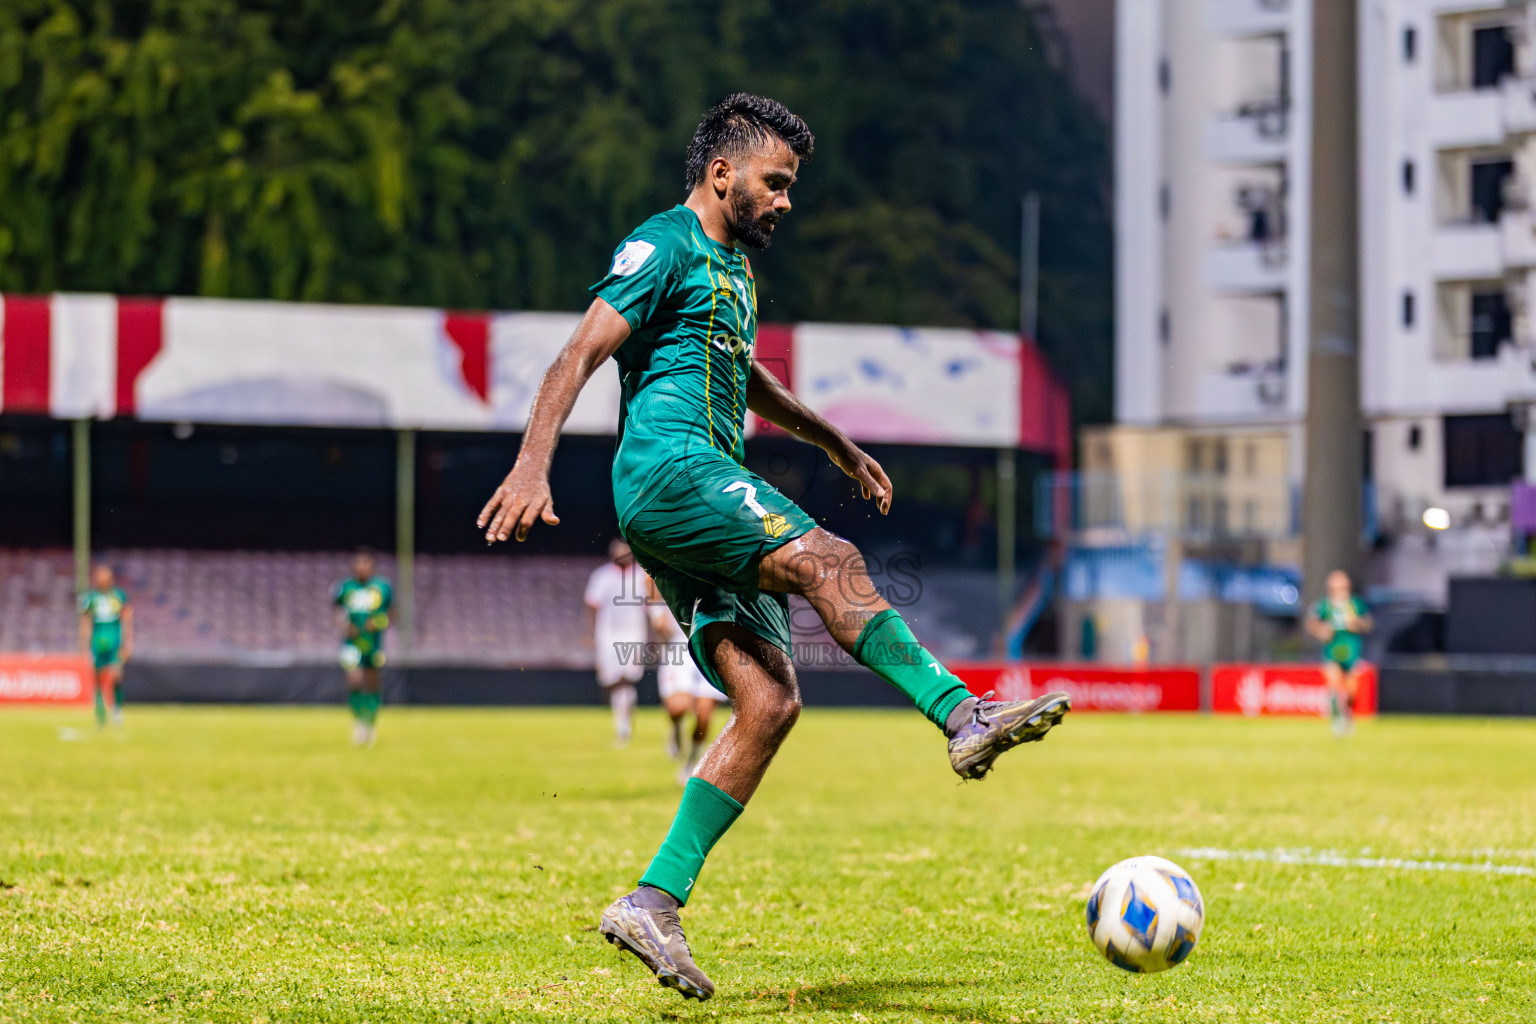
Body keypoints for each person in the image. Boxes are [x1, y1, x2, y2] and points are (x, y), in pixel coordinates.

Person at [477, 93, 1070, 1002]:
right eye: (776, 182)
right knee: (831, 561)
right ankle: (962, 718)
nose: (787, 201)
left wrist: (835, 442)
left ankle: (651, 901)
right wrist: (531, 466)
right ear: (723, 175)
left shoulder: (735, 273)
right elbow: (577, 355)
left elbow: (746, 376)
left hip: (696, 483)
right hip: (672, 470)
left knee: (769, 702)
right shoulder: (663, 243)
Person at [650, 588, 728, 785]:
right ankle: (676, 728)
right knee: (678, 707)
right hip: (681, 646)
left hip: (714, 647)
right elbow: (649, 580)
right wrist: (657, 612)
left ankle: (691, 764)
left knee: (704, 716)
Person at [584, 539, 651, 746]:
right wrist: (590, 634)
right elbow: (592, 606)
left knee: (626, 679)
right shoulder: (601, 576)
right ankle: (622, 717)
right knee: (611, 681)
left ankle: (624, 727)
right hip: (607, 635)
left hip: (633, 634)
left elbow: (651, 607)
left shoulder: (642, 576)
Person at [333, 549, 392, 746]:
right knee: (355, 679)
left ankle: (371, 722)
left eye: (365, 564)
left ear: (372, 567)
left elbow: (391, 612)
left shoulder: (382, 587)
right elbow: (337, 610)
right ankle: (359, 721)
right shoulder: (345, 587)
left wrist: (378, 622)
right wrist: (344, 626)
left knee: (373, 682)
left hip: (374, 643)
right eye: (359, 564)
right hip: (352, 643)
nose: (362, 568)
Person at [1305, 570, 1373, 737]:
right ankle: (1336, 718)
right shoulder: (1324, 605)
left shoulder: (1355, 604)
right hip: (1332, 650)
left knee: (1351, 691)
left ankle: (1347, 715)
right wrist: (1321, 631)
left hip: (1351, 650)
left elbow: (1368, 623)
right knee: (1334, 684)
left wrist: (1357, 624)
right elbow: (1312, 624)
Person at [78, 564, 131, 729]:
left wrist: (127, 642)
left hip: (114, 640)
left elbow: (127, 619)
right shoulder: (90, 598)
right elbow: (85, 622)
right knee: (98, 678)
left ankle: (117, 710)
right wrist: (84, 646)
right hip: (97, 641)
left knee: (116, 675)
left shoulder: (119, 596)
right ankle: (100, 715)